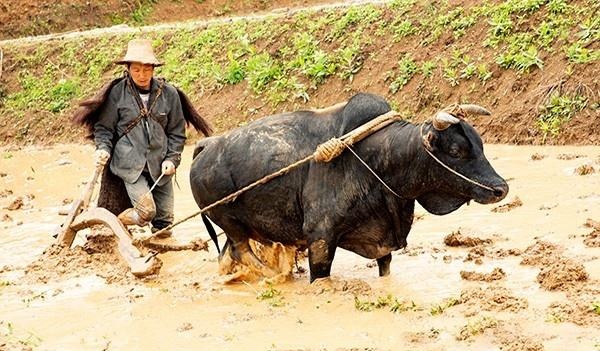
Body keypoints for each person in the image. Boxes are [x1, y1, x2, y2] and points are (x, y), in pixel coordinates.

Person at [92, 39, 189, 237]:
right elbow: (104, 128)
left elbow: (177, 133)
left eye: (147, 69)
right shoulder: (116, 94)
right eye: (136, 70)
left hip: (160, 164)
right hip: (129, 165)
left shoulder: (169, 94)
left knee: (165, 223)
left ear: (153, 69)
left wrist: (172, 159)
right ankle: (118, 223)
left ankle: (161, 249)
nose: (142, 75)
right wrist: (103, 148)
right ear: (127, 69)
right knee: (147, 212)